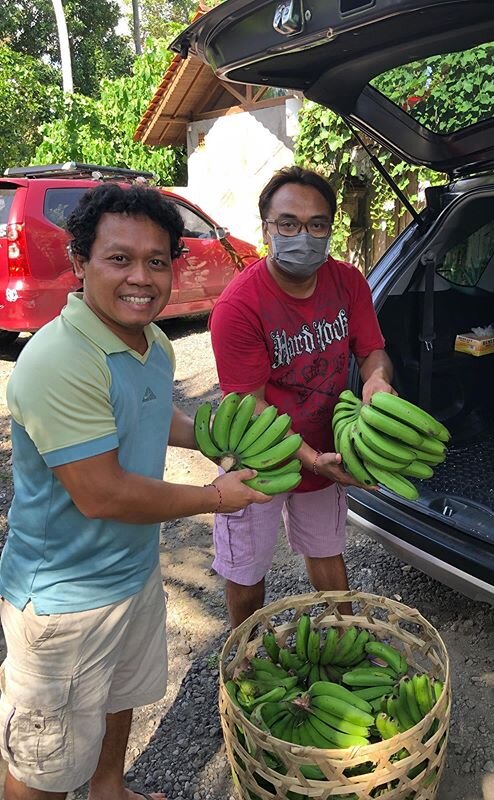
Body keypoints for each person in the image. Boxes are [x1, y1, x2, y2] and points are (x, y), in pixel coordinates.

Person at [0, 183, 270, 800]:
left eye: (156, 261)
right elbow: (104, 494)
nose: (140, 278)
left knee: (120, 699)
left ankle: (110, 792)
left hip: (131, 574)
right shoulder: (59, 360)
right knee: (43, 762)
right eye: (119, 259)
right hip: (65, 603)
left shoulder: (151, 343)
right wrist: (217, 498)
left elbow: (155, 417)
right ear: (79, 263)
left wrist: (212, 433)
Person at [210, 166, 395, 628]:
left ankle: (348, 639)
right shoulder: (238, 307)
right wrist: (310, 459)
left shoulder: (348, 282)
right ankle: (246, 656)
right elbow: (250, 406)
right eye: (288, 224)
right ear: (266, 229)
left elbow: (373, 350)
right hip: (258, 455)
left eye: (317, 225)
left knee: (327, 553)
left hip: (324, 441)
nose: (303, 236)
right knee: (247, 573)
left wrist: (375, 380)